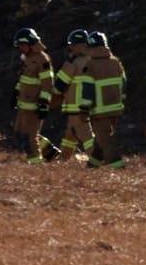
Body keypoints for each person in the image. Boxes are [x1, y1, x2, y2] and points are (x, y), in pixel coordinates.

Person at [12, 28, 60, 164]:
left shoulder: (42, 60)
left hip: (34, 106)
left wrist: (44, 104)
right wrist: (16, 91)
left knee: (29, 137)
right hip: (23, 104)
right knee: (19, 132)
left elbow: (48, 84)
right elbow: (23, 78)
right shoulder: (27, 58)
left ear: (30, 44)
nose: (20, 48)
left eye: (22, 45)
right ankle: (50, 153)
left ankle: (36, 164)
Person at [81, 32, 127, 169]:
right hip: (116, 108)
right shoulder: (116, 62)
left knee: (105, 140)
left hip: (99, 111)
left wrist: (84, 109)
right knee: (101, 139)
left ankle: (118, 167)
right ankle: (92, 166)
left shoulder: (90, 65)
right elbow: (124, 84)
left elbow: (88, 89)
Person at [49, 30, 95, 163]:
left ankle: (98, 159)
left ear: (78, 45)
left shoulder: (73, 63)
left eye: (72, 45)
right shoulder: (92, 61)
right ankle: (63, 160)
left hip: (76, 106)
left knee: (85, 135)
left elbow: (60, 86)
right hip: (89, 106)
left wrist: (49, 96)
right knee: (70, 135)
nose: (70, 48)